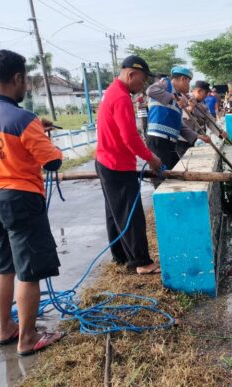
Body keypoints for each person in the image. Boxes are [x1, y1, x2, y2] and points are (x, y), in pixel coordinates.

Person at [0, 49, 64, 355]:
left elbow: (1, 147)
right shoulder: (24, 119)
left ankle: (6, 328)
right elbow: (52, 162)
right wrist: (45, 139)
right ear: (17, 78)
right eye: (25, 82)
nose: (25, 88)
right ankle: (28, 337)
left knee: (3, 267)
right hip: (20, 198)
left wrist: (34, 134)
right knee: (29, 271)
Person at [95, 55, 162, 275]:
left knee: (115, 212)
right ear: (131, 74)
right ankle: (141, 262)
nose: (142, 86)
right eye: (142, 80)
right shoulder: (121, 97)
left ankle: (120, 256)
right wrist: (150, 157)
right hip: (116, 164)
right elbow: (130, 137)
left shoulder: (111, 92)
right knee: (130, 214)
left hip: (105, 161)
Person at [145, 65, 208, 173]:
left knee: (175, 172)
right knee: (162, 176)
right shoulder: (165, 84)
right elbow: (150, 90)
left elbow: (179, 124)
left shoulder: (179, 97)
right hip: (158, 140)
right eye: (188, 82)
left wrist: (197, 136)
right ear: (183, 79)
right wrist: (173, 96)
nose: (189, 86)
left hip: (169, 142)